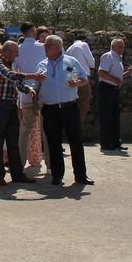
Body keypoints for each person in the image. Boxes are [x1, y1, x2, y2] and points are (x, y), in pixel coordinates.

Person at [35, 35, 92, 187]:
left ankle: (81, 176)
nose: (45, 47)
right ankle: (57, 175)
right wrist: (35, 100)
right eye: (45, 45)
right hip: (50, 109)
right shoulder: (41, 65)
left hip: (69, 107)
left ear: (57, 47)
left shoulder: (69, 62)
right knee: (53, 143)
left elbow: (82, 78)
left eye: (48, 45)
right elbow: (36, 86)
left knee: (76, 141)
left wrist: (76, 82)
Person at [0, 41, 42, 186]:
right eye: (15, 52)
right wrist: (33, 76)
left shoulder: (9, 65)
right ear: (6, 52)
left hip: (10, 106)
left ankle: (17, 174)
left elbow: (16, 83)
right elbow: (10, 76)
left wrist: (27, 89)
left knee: (13, 141)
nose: (17, 55)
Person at [15, 23, 48, 173]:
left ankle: (20, 164)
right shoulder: (42, 47)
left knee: (25, 130)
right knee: (47, 130)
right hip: (44, 92)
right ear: (34, 31)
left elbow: (15, 72)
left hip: (26, 93)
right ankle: (50, 165)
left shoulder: (18, 49)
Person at [96, 38, 131, 152]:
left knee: (115, 116)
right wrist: (116, 80)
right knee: (106, 116)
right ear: (113, 47)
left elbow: (117, 77)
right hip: (106, 88)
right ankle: (105, 143)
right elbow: (101, 72)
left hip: (114, 88)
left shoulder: (118, 59)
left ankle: (116, 142)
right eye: (120, 46)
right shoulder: (108, 56)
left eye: (123, 47)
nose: (122, 49)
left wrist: (126, 74)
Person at [65, 35, 96, 123]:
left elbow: (67, 67)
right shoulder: (83, 44)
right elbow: (92, 63)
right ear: (84, 39)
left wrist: (74, 76)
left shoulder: (68, 49)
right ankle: (78, 129)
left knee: (72, 103)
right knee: (84, 104)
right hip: (82, 77)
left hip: (71, 77)